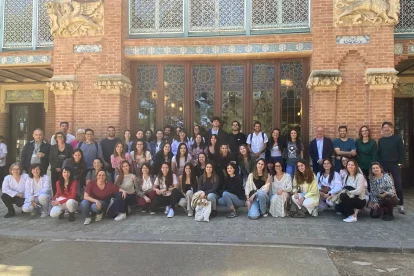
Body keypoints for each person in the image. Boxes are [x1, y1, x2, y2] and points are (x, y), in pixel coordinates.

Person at [377, 121, 405, 214]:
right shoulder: (381, 140)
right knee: (383, 185)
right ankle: (384, 204)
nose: (386, 129)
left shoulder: (397, 138)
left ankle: (401, 205)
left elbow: (402, 152)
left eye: (388, 127)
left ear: (391, 129)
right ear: (382, 129)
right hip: (383, 165)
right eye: (384, 127)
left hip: (395, 165)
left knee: (398, 185)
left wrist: (400, 164)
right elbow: (379, 153)